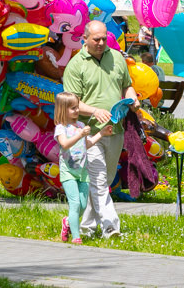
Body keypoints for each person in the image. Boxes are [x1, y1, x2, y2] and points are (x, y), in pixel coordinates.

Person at [62, 20, 139, 239]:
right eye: (96, 39)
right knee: (97, 181)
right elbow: (72, 102)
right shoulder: (76, 65)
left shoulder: (116, 57)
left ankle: (82, 227)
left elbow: (127, 85)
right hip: (89, 133)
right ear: (84, 38)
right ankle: (111, 229)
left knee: (104, 181)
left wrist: (132, 99)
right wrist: (95, 111)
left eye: (104, 38)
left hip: (115, 130)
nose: (101, 42)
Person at [54, 91, 114, 245]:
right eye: (73, 108)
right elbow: (65, 144)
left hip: (82, 172)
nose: (77, 110)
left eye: (77, 107)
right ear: (62, 109)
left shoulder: (80, 125)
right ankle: (76, 236)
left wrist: (101, 133)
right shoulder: (61, 128)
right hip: (68, 171)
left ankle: (67, 221)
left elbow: (86, 145)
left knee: (81, 205)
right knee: (74, 204)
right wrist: (80, 134)